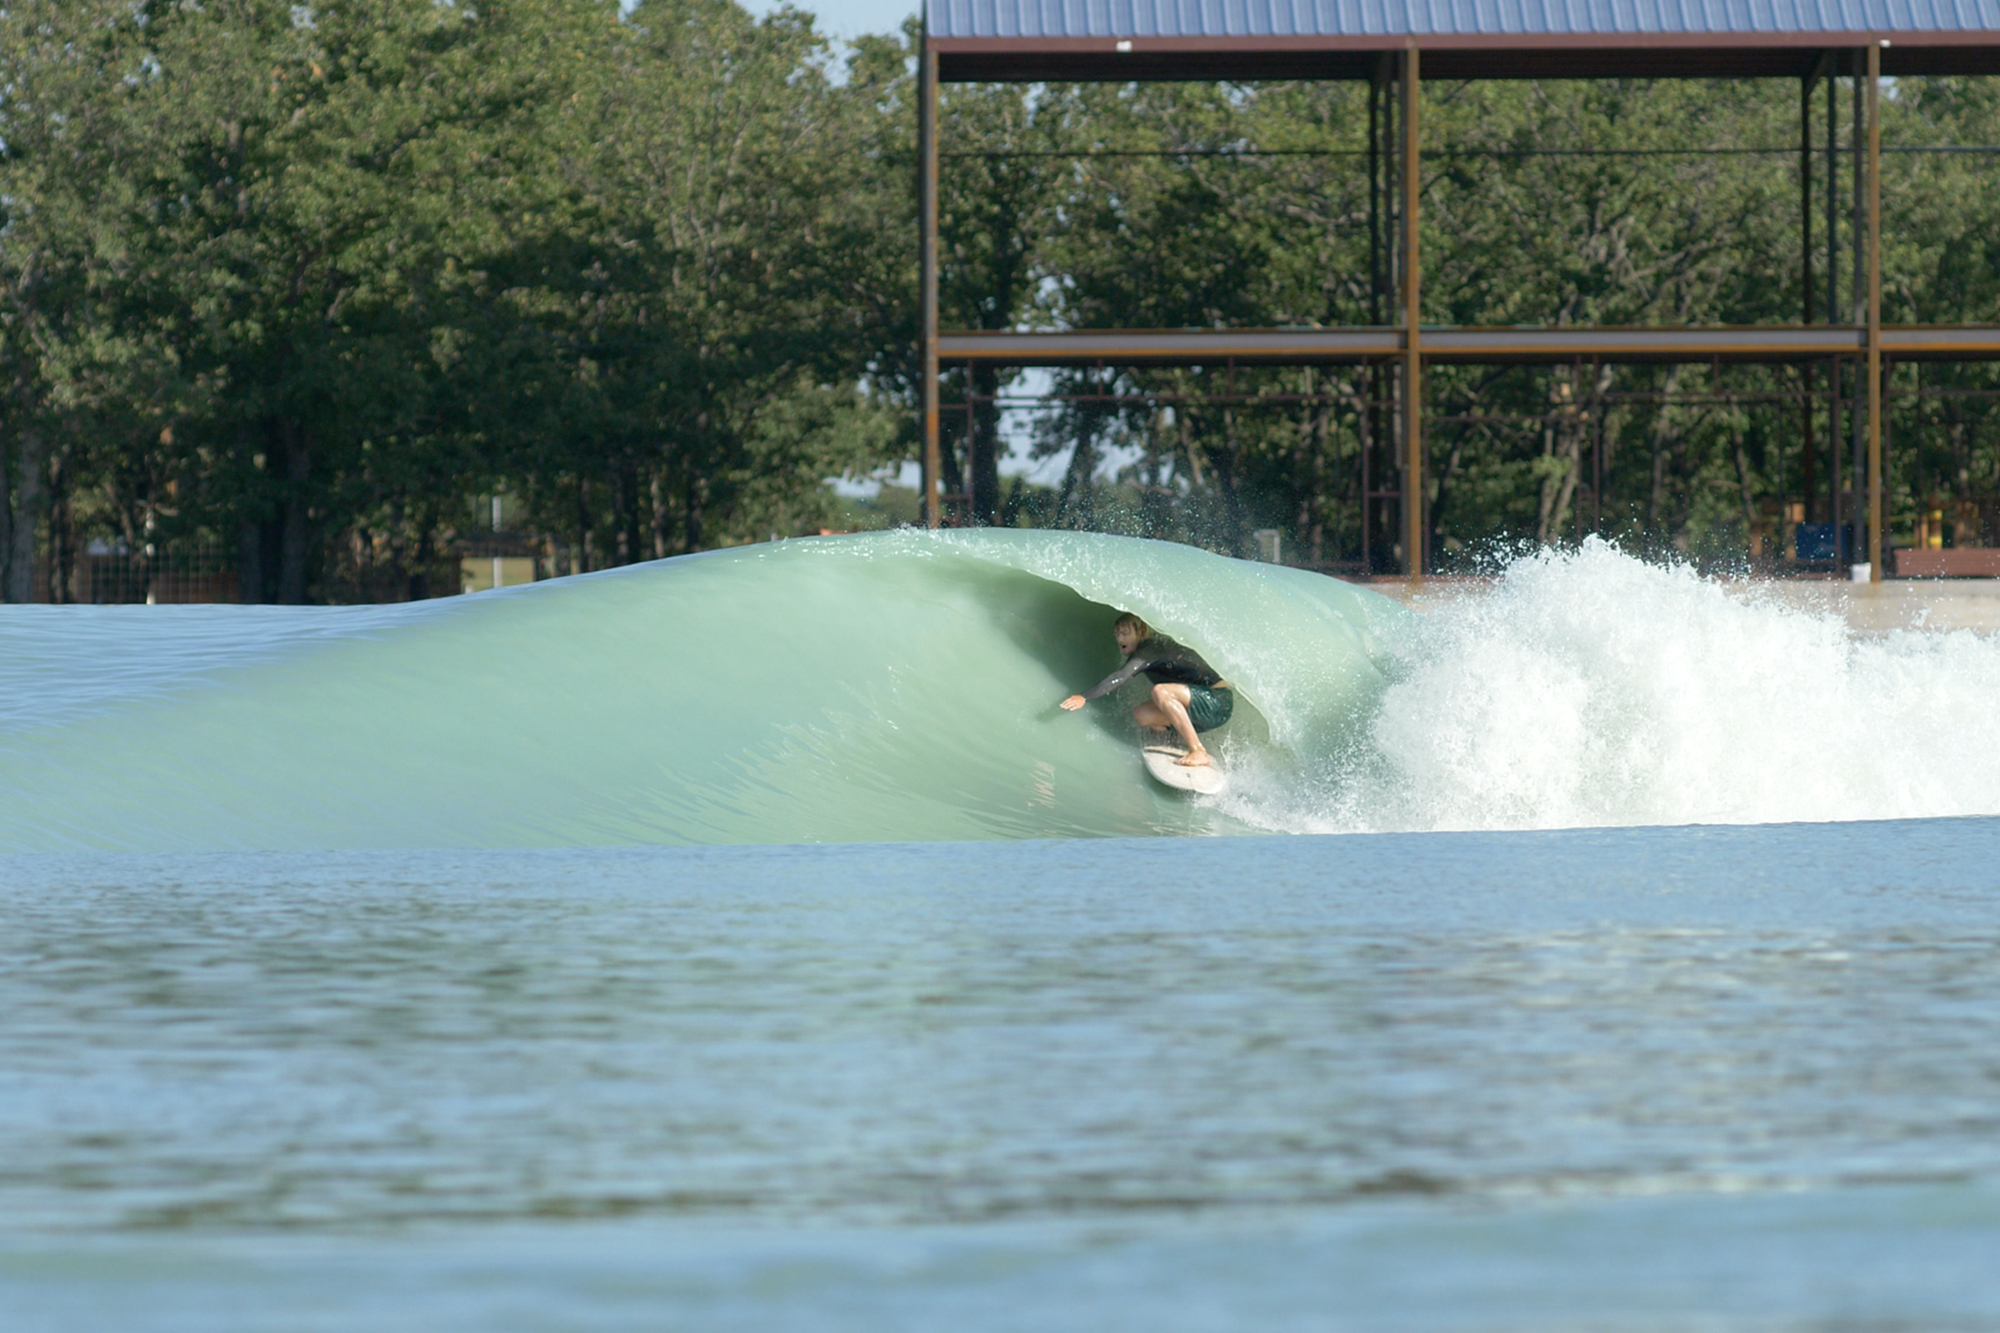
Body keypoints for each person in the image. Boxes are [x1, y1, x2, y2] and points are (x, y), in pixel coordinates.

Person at [1059, 613, 1232, 767]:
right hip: (1203, 707)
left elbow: (1120, 676)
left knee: (1161, 692)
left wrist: (1083, 697)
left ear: (1141, 631)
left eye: (1125, 633)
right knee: (1142, 715)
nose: (1120, 640)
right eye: (1117, 635)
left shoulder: (1150, 650)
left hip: (1218, 701)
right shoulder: (1149, 651)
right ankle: (1177, 738)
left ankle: (1198, 750)